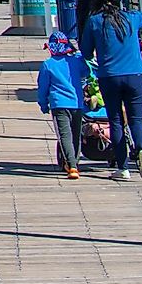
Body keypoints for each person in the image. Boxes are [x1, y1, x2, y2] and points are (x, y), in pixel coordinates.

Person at [80, 0, 142, 181]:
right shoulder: (131, 18)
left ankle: (123, 168)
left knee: (115, 121)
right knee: (136, 119)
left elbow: (85, 52)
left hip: (109, 77)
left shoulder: (94, 22)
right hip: (135, 75)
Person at [33, 32, 89, 180]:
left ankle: (71, 165)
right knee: (76, 134)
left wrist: (43, 104)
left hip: (59, 104)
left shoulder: (48, 65)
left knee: (65, 135)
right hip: (77, 103)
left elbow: (43, 87)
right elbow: (87, 72)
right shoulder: (76, 61)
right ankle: (74, 163)